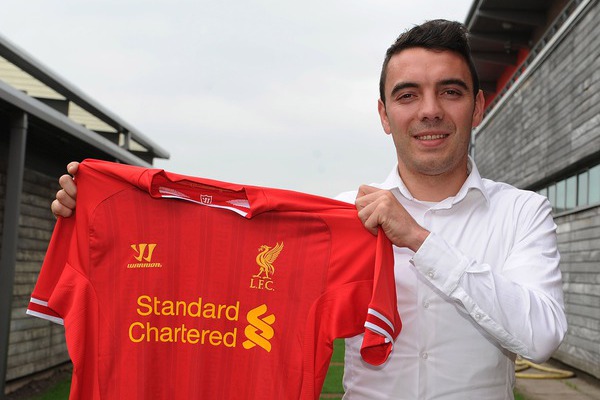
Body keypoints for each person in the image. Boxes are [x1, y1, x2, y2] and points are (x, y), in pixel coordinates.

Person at [51, 19, 566, 400]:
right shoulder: (338, 219)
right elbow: (213, 269)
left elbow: (540, 336)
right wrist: (104, 220)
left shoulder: (523, 213)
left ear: (477, 107)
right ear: (384, 115)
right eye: (408, 95)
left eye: (449, 92)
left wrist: (419, 240)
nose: (429, 110)